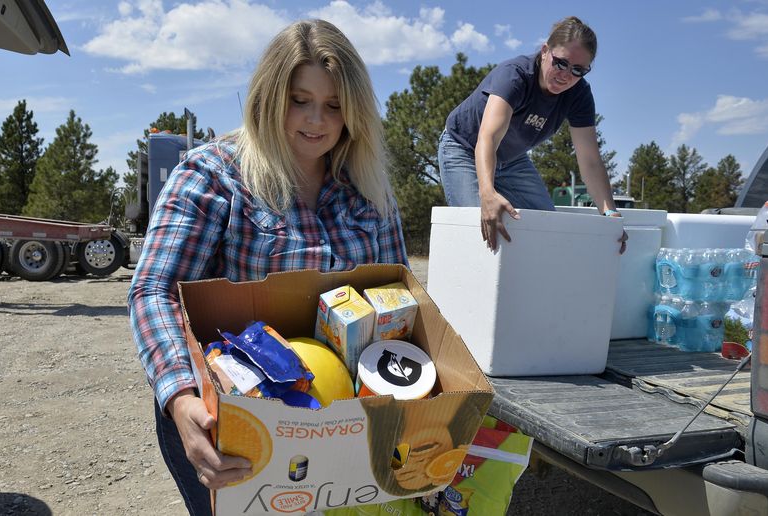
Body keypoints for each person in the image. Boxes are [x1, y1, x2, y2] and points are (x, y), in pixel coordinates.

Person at [128, 19, 408, 516]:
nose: (316, 121)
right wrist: (182, 400)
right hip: (234, 417)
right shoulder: (213, 175)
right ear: (269, 95)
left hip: (343, 417)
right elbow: (155, 291)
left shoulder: (368, 192)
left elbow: (399, 305)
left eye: (334, 105)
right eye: (300, 100)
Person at [438, 16, 627, 253]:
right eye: (561, 63)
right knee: (482, 224)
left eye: (578, 70)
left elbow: (589, 160)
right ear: (545, 51)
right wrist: (487, 193)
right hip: (465, 147)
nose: (566, 75)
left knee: (547, 227)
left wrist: (609, 213)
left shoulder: (579, 95)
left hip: (513, 158)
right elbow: (488, 137)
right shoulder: (515, 75)